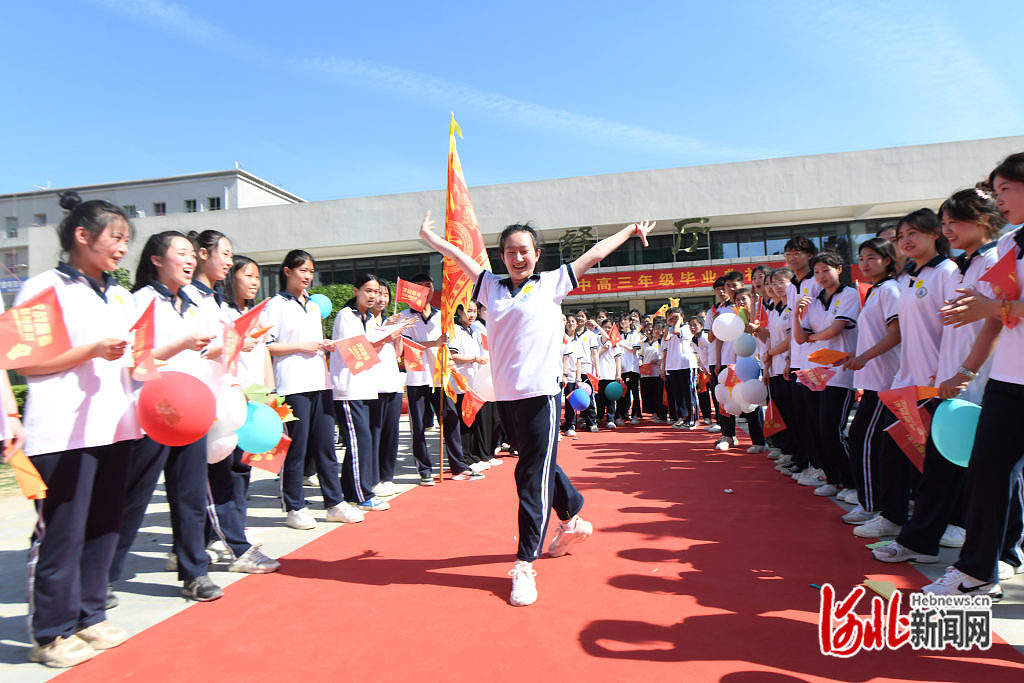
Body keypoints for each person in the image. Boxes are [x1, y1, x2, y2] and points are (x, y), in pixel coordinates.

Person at [419, 209, 654, 606]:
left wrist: (629, 232)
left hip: (541, 396)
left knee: (530, 477)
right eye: (510, 251)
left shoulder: (551, 283)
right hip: (506, 397)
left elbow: (593, 254)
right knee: (539, 463)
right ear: (501, 256)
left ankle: (525, 564)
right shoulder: (489, 286)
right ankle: (573, 516)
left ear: (536, 253)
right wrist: (431, 239)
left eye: (524, 250)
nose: (517, 257)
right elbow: (461, 258)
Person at [18, 194, 130, 667]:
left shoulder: (119, 293)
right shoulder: (43, 288)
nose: (122, 249)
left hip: (116, 425)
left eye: (127, 241)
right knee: (62, 531)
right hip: (62, 431)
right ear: (82, 236)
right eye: (115, 238)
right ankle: (52, 631)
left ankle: (91, 612)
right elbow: (25, 360)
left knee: (105, 526)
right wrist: (90, 351)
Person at [872, 189, 1004, 565]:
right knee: (941, 465)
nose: (948, 230)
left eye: (952, 223)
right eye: (945, 223)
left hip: (979, 383)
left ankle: (996, 550)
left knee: (985, 472)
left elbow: (995, 324)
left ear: (983, 220)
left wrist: (962, 372)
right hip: (951, 382)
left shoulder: (987, 261)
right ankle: (924, 538)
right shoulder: (965, 265)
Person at [926, 155, 1024, 596]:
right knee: (987, 470)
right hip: (1009, 380)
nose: (999, 199)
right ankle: (977, 571)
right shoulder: (1010, 246)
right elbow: (990, 318)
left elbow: (994, 310)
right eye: (996, 191)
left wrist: (995, 309)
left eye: (1005, 189)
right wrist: (967, 370)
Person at [112, 231, 220, 602]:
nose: (190, 260)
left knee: (189, 495)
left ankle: (195, 572)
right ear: (157, 260)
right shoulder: (138, 301)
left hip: (191, 412)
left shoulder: (194, 302)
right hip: (152, 413)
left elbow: (203, 352)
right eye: (182, 254)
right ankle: (102, 572)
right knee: (133, 495)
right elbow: (132, 360)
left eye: (193, 254)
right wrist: (177, 345)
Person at [851, 210, 956, 541]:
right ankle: (895, 516)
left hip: (936, 383)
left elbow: (956, 330)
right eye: (900, 237)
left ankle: (950, 523)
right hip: (906, 382)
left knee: (937, 459)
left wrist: (949, 373)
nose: (905, 242)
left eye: (913, 234)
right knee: (895, 451)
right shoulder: (910, 279)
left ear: (935, 233)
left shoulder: (947, 272)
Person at [265, 250, 350, 530]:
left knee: (325, 446)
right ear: (287, 271)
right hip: (292, 385)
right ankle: (295, 506)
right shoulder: (274, 305)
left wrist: (323, 344)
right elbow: (267, 345)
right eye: (303, 271)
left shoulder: (313, 306)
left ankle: (334, 502)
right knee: (296, 448)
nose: (308, 277)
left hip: (320, 382)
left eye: (311, 272)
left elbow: (314, 340)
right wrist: (300, 346)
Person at [216, 255, 281, 572]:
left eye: (257, 276)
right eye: (247, 275)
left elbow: (265, 352)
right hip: (230, 399)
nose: (254, 281)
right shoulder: (222, 313)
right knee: (224, 472)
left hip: (255, 401)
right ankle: (224, 538)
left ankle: (233, 529)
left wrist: (270, 391)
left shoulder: (256, 314)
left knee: (243, 471)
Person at [837, 239, 901, 524]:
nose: (864, 263)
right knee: (866, 440)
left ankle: (873, 504)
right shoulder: (874, 292)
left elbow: (895, 334)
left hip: (884, 380)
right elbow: (874, 336)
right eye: (862, 258)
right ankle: (872, 501)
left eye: (872, 257)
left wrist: (864, 358)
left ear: (887, 259)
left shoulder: (889, 290)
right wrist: (853, 355)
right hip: (873, 377)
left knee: (864, 440)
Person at [398, 273, 481, 484]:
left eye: (428, 285)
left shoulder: (442, 316)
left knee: (451, 420)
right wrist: (433, 343)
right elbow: (407, 347)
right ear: (412, 290)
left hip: (440, 378)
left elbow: (448, 347)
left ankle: (458, 466)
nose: (425, 290)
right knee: (418, 426)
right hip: (417, 379)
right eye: (420, 286)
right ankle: (424, 469)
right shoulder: (404, 317)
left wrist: (450, 366)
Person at [793, 251, 861, 496]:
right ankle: (834, 478)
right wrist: (796, 313)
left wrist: (813, 337)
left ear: (839, 269)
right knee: (818, 429)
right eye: (818, 272)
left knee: (832, 428)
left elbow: (835, 329)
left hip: (839, 371)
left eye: (826, 270)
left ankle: (853, 482)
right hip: (814, 372)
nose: (821, 276)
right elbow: (800, 339)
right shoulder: (813, 301)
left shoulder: (850, 295)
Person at [331, 274, 400, 513]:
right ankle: (363, 494)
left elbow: (374, 354)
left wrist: (390, 336)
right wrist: (386, 338)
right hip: (349, 389)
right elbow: (356, 354)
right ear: (355, 291)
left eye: (376, 291)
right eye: (367, 290)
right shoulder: (346, 316)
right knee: (359, 442)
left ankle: (351, 491)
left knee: (364, 442)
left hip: (368, 388)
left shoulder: (369, 319)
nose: (372, 295)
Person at [368, 281, 405, 497]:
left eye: (385, 295)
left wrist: (397, 333)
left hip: (392, 382)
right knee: (375, 433)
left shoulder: (389, 322)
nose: (382, 299)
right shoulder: (366, 321)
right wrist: (386, 332)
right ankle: (372, 479)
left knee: (391, 434)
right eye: (378, 294)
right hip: (374, 385)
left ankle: (387, 477)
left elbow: (398, 353)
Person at [594, 318, 623, 429]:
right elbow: (595, 356)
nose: (608, 329)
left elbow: (617, 360)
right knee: (600, 399)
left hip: (611, 375)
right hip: (600, 375)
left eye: (610, 327)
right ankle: (600, 417)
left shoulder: (615, 343)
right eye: (605, 327)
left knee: (611, 399)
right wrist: (603, 349)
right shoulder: (597, 340)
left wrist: (618, 374)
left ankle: (610, 419)